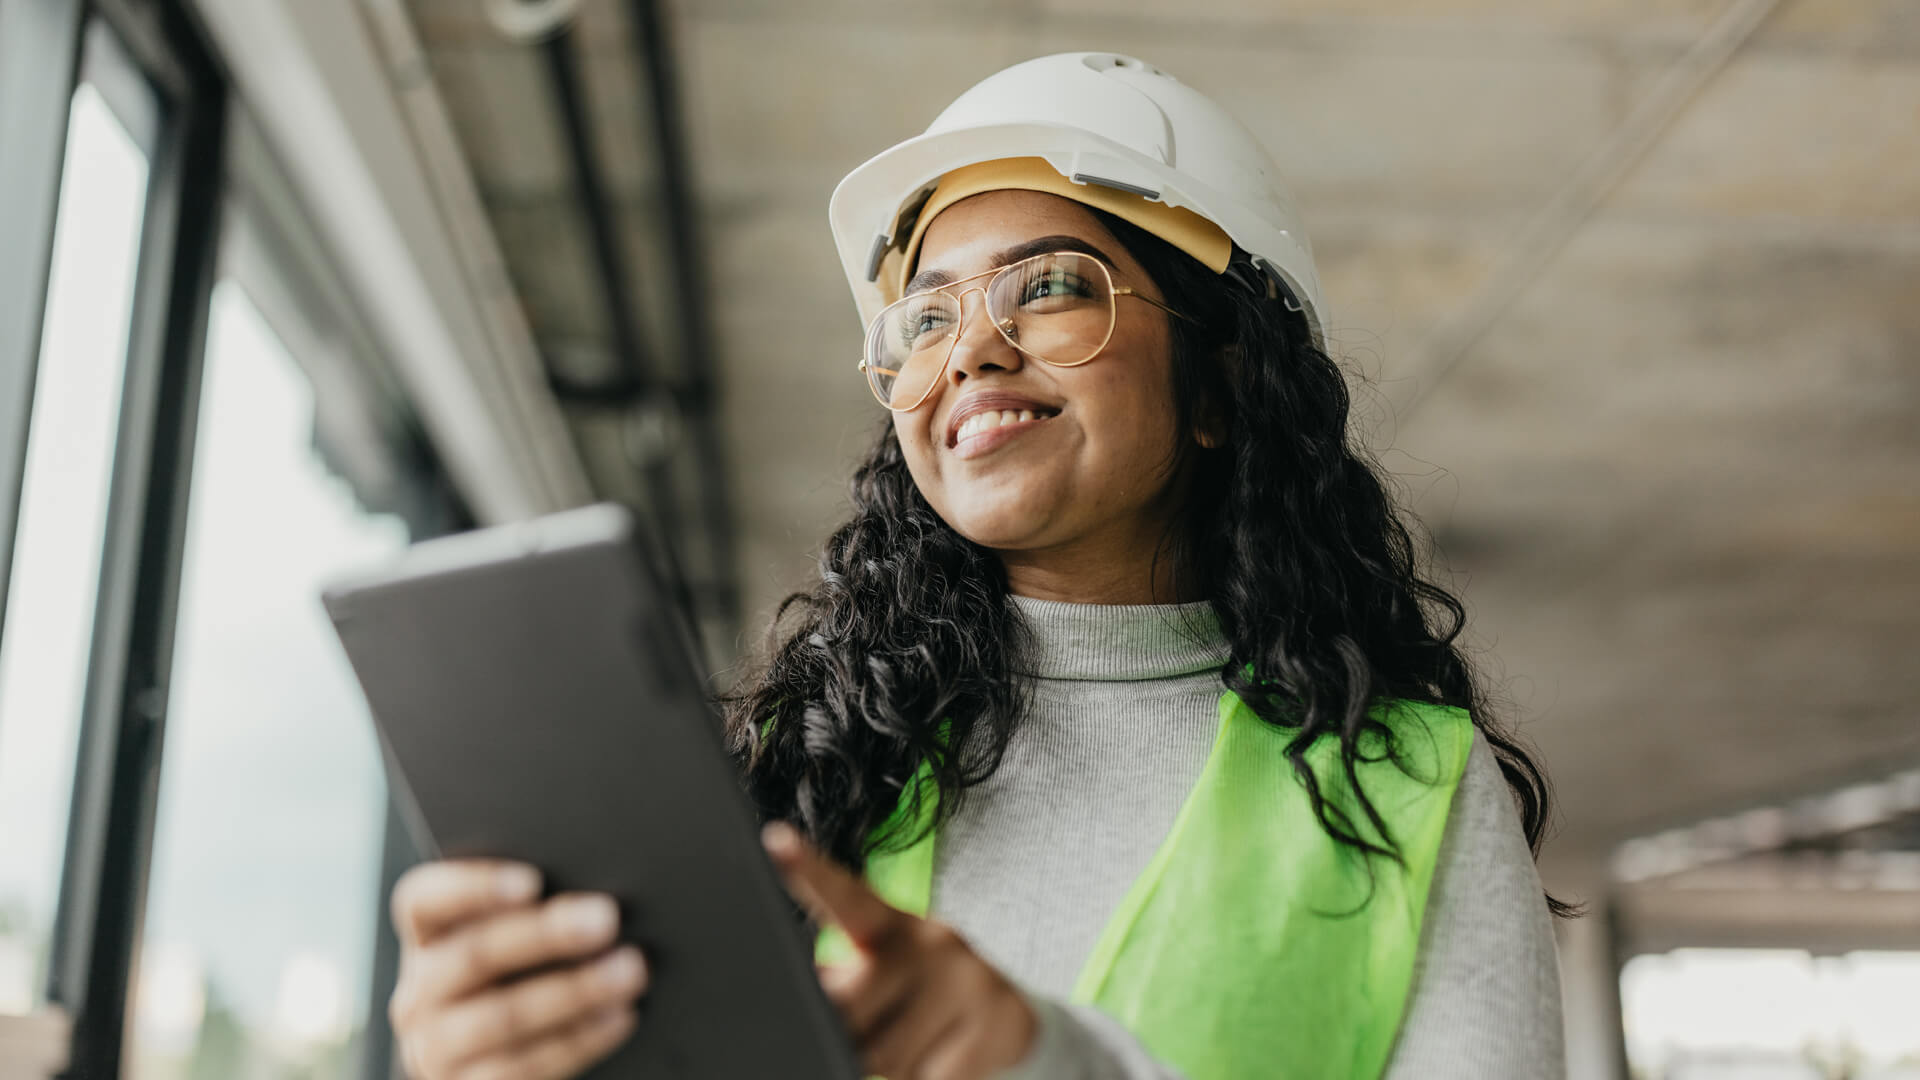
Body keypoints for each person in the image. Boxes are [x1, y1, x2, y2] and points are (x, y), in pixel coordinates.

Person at [384, 52, 1568, 1080]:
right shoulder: (806, 774)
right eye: (928, 317)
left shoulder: (1412, 790)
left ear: (1221, 383)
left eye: (1050, 287)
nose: (973, 352)